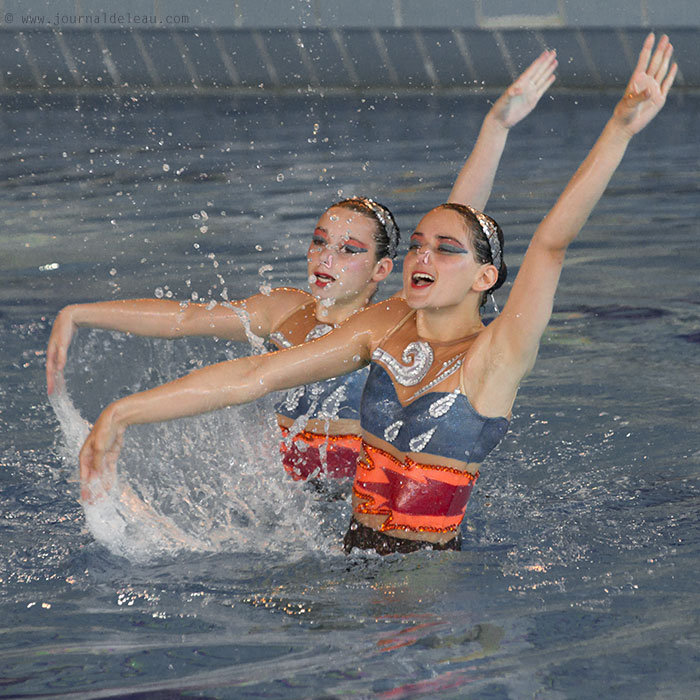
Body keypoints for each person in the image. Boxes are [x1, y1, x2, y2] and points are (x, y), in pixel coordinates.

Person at [78, 34, 676, 554]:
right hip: (346, 554)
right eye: (416, 244)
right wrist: (122, 411)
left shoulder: (498, 353)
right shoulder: (384, 325)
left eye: (444, 250)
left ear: (485, 278)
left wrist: (619, 129)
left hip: (426, 577)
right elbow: (255, 375)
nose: (423, 256)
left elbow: (549, 245)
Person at [47, 51, 558, 483]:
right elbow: (185, 319)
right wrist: (79, 312)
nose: (325, 258)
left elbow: (455, 237)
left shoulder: (393, 327)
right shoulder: (284, 310)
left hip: (353, 497)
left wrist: (495, 128)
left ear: (383, 270)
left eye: (349, 250)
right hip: (287, 495)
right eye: (319, 242)